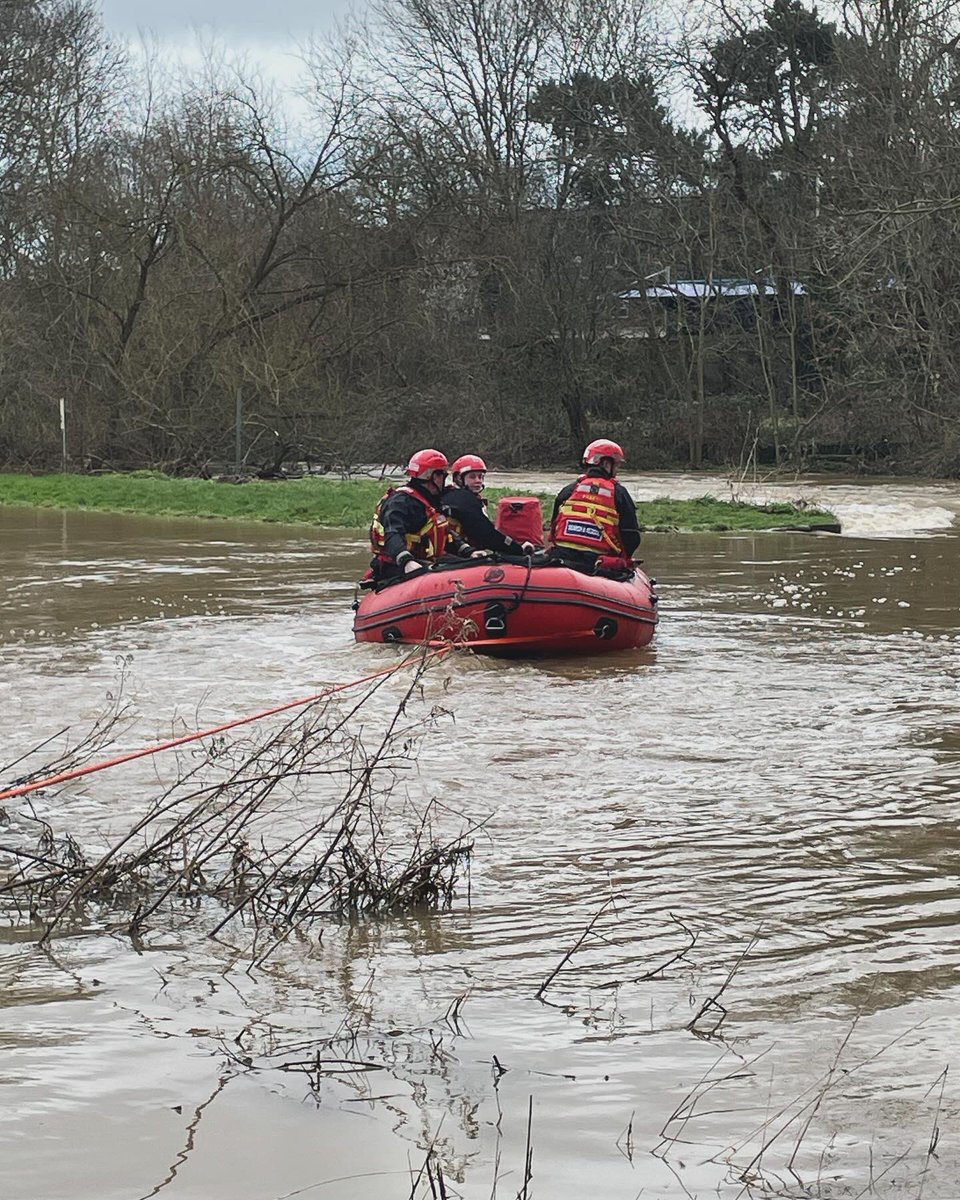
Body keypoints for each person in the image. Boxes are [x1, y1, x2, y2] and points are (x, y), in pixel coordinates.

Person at [369, 449, 486, 582]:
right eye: (443, 475)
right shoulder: (400, 503)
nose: (444, 481)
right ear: (433, 476)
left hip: (426, 560)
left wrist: (469, 552)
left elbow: (444, 534)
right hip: (395, 565)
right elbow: (393, 534)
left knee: (476, 566)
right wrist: (406, 561)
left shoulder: (428, 500)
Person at [549, 439, 642, 572]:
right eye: (616, 465)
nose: (617, 470)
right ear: (606, 463)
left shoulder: (569, 490)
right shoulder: (619, 493)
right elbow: (632, 536)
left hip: (561, 557)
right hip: (595, 562)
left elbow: (554, 525)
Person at [443, 455, 537, 556]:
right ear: (459, 478)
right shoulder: (464, 499)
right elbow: (487, 534)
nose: (478, 480)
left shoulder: (450, 494)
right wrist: (517, 549)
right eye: (472, 477)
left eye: (481, 476)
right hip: (459, 554)